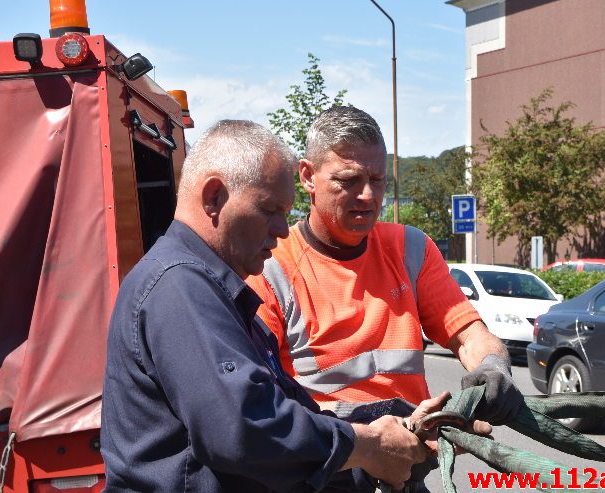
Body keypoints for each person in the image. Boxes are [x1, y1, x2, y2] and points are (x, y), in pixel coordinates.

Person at [100, 119, 445, 492]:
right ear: (214, 197)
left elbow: (281, 409)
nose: (283, 229)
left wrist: (391, 422)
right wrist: (369, 446)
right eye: (269, 210)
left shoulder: (211, 287)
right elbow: (245, 428)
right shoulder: (180, 285)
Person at [247, 106, 523, 430]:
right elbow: (260, 403)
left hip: (408, 466)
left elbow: (468, 337)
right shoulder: (270, 265)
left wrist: (492, 366)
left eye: (377, 180)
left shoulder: (411, 249)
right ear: (307, 176)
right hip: (327, 469)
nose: (367, 195)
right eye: (349, 180)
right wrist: (377, 436)